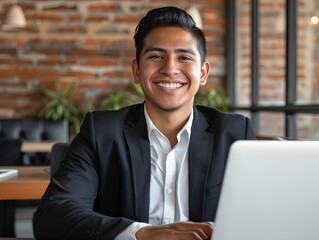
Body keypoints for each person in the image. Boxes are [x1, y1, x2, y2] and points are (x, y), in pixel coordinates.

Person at [33, 6, 255, 240]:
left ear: (203, 73)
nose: (170, 69)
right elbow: (52, 216)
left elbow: (260, 213)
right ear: (137, 70)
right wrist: (142, 233)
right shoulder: (102, 132)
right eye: (156, 56)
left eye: (184, 57)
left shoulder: (234, 134)